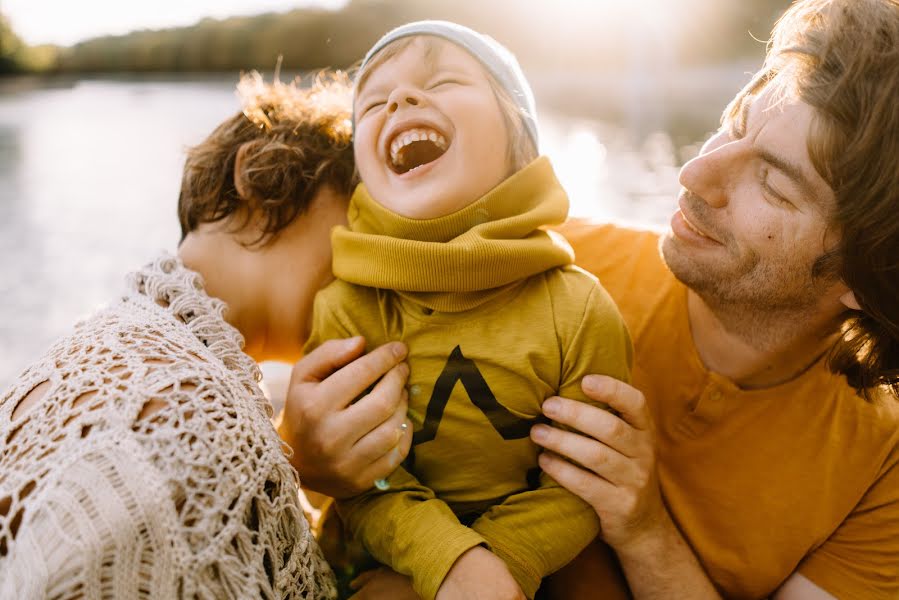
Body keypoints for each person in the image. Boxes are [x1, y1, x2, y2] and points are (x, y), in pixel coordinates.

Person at [283, 0, 899, 598]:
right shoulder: (522, 263)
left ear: (865, 277)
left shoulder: (881, 472)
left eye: (771, 183)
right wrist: (306, 459)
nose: (693, 174)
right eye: (731, 126)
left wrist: (644, 530)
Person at [0, 71, 400, 599]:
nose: (384, 268)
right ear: (259, 175)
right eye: (363, 216)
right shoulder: (197, 410)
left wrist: (292, 464)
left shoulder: (88, 352)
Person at [302, 20, 631, 600]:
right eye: (375, 101)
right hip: (381, 560)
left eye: (445, 80)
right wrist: (447, 561)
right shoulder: (348, 308)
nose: (400, 99)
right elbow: (360, 481)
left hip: (532, 564)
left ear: (520, 146)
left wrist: (499, 563)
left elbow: (587, 482)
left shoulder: (579, 309)